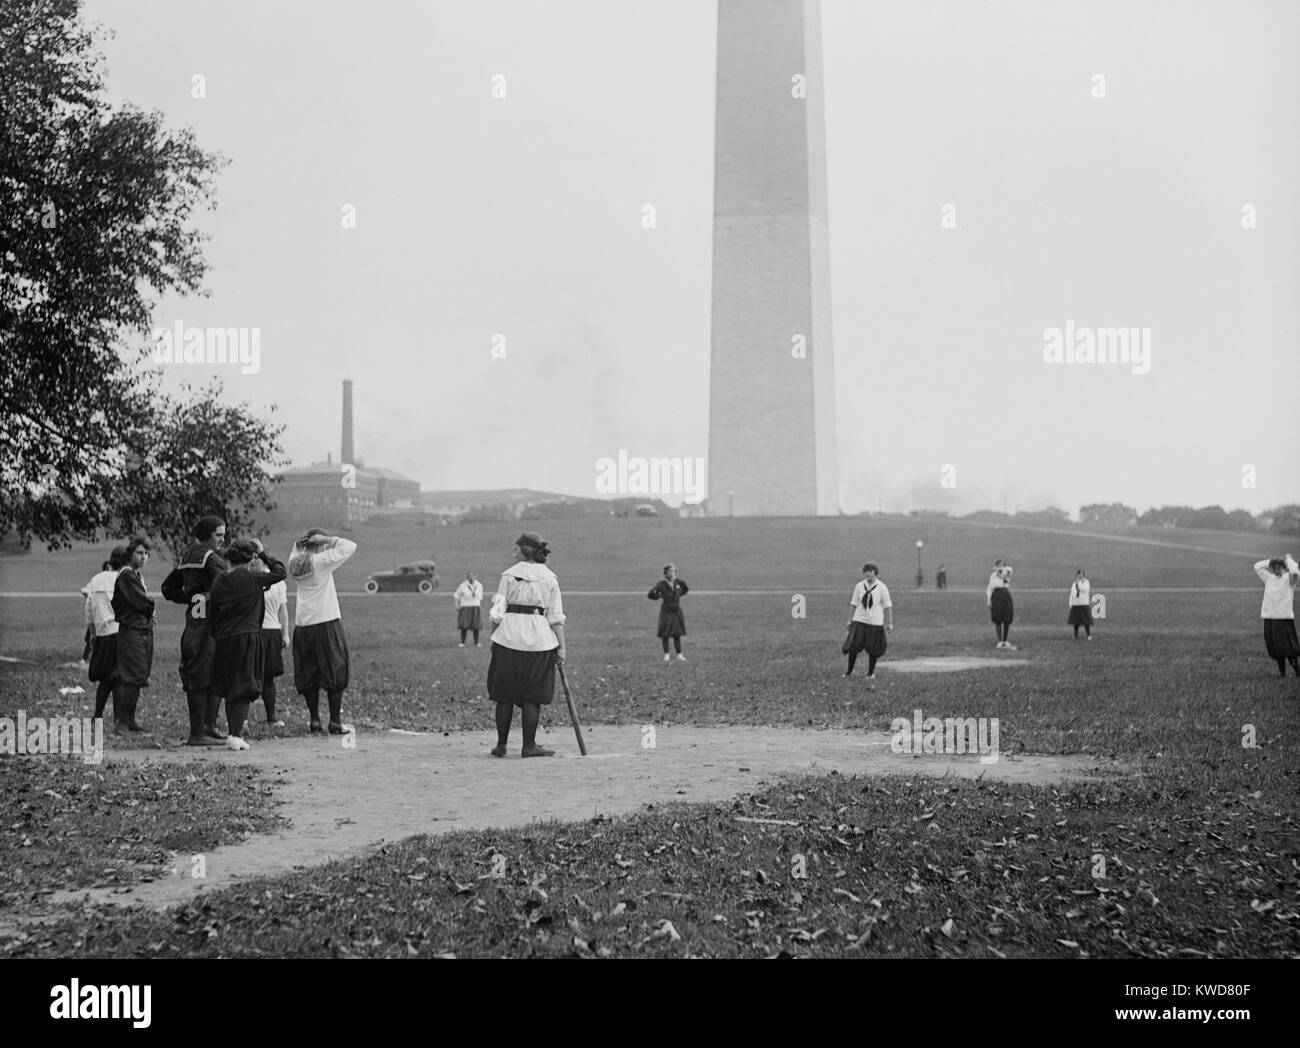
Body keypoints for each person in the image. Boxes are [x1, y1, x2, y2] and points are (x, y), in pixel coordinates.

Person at [486, 532, 566, 758]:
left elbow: (497, 613)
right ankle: (528, 746)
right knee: (533, 696)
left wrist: (495, 639)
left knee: (505, 695)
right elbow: (555, 617)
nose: (514, 551)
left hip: (508, 639)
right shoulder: (550, 578)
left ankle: (501, 745)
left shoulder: (508, 576)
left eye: (517, 548)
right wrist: (561, 647)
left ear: (525, 551)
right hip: (539, 643)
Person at [210, 540, 288, 751]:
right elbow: (280, 572)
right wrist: (263, 553)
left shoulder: (218, 581)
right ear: (250, 559)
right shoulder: (254, 579)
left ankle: (231, 733)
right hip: (248, 637)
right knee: (244, 686)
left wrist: (217, 634)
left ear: (228, 559)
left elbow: (213, 613)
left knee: (230, 685)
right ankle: (236, 734)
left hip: (225, 638)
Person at [161, 516, 229, 746]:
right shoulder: (211, 558)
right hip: (209, 624)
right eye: (218, 535)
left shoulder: (187, 555)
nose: (222, 539)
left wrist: (192, 599)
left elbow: (167, 588)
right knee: (205, 674)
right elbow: (227, 586)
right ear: (207, 535)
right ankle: (199, 733)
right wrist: (205, 598)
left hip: (195, 621)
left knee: (206, 672)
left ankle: (207, 728)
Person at [289, 528, 357, 734]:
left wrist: (301, 543)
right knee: (336, 670)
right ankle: (335, 720)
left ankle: (314, 719)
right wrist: (329, 538)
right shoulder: (321, 562)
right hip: (326, 621)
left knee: (309, 672)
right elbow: (350, 546)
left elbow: (296, 550)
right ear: (318, 545)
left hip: (303, 623)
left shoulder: (294, 562)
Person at [110, 538, 155, 735]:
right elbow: (143, 602)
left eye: (146, 553)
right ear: (130, 555)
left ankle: (130, 720)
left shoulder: (136, 575)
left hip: (141, 629)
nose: (143, 557)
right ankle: (121, 723)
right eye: (139, 553)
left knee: (138, 676)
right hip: (131, 631)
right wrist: (151, 608)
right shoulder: (127, 575)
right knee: (130, 676)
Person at [84, 545, 128, 720]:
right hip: (122, 632)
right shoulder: (129, 578)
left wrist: (93, 633)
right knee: (120, 677)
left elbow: (89, 608)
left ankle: (98, 713)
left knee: (105, 677)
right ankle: (119, 717)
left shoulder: (97, 579)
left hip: (103, 633)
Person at [253, 551, 290, 726]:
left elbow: (282, 609)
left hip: (271, 631)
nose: (253, 562)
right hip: (253, 631)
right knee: (250, 676)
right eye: (250, 558)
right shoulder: (247, 578)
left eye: (256, 558)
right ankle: (242, 719)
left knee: (268, 677)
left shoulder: (277, 582)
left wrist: (285, 633)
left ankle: (271, 717)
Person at [843, 562, 892, 682]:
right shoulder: (859, 586)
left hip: (874, 622)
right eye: (866, 571)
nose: (868, 574)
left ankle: (870, 673)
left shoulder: (882, 587)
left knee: (873, 649)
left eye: (870, 571)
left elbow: (887, 606)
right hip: (859, 620)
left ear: (875, 573)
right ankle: (849, 670)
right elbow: (853, 603)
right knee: (853, 646)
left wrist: (889, 622)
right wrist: (850, 619)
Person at [1254, 554, 1299, 678]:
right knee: (1277, 649)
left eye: (1278, 567)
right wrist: (1270, 561)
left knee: (1290, 648)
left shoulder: (1289, 580)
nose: (1276, 570)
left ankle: (1297, 672)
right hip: (1270, 618)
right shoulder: (1269, 578)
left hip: (1284, 619)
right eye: (1273, 568)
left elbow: (1295, 571)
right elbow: (1257, 566)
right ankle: (1282, 674)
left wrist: (1289, 560)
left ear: (1284, 568)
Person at [648, 564, 689, 661]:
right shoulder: (661, 584)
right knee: (665, 634)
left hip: (676, 611)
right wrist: (659, 596)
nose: (672, 573)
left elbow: (685, 590)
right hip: (666, 611)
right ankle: (666, 654)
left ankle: (679, 654)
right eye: (670, 571)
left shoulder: (679, 582)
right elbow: (651, 594)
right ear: (666, 573)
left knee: (677, 633)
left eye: (674, 571)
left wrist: (677, 596)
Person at [987, 559, 1016, 650]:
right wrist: (988, 599)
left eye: (1002, 565)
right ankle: (1000, 641)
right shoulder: (992, 575)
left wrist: (1001, 569)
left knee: (1007, 617)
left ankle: (1005, 640)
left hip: (1005, 594)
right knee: (998, 617)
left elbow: (1005, 579)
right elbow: (989, 588)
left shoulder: (1007, 573)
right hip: (996, 595)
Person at [454, 570, 484, 647]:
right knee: (464, 625)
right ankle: (462, 642)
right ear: (467, 577)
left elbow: (480, 598)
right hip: (465, 607)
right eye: (470, 576)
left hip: (475, 607)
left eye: (473, 576)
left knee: (476, 625)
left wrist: (480, 606)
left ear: (475, 576)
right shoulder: (463, 585)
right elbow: (456, 595)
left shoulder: (479, 585)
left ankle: (477, 642)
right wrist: (457, 605)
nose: (471, 577)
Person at [1068, 569, 1093, 640]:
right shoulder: (1074, 584)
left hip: (1084, 604)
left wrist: (1079, 583)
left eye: (1081, 576)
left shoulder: (1086, 582)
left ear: (1084, 576)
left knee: (1086, 621)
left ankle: (1088, 635)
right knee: (1076, 622)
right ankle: (1075, 635)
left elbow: (1084, 589)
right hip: (1076, 604)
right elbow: (1072, 594)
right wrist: (1071, 604)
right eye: (1078, 576)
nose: (1079, 577)